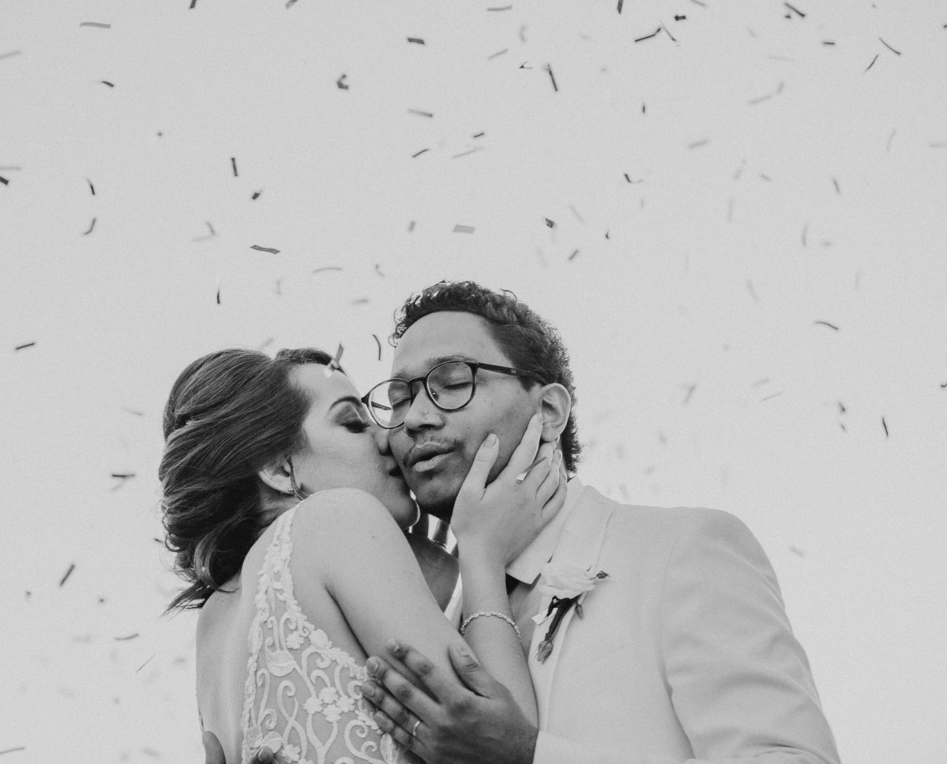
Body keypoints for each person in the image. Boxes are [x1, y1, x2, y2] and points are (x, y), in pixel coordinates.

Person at [356, 281, 842, 764]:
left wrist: (529, 756)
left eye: (453, 383)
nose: (416, 417)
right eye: (398, 399)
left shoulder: (680, 550)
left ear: (548, 412)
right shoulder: (429, 622)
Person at [162, 347, 568, 764]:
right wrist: (482, 556)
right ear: (278, 468)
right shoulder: (336, 516)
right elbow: (500, 739)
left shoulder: (214, 619)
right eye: (353, 423)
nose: (389, 438)